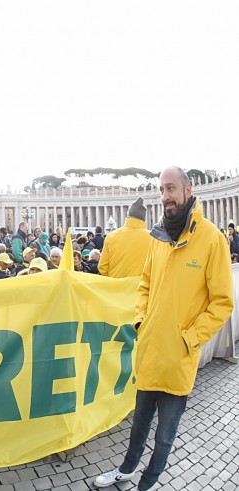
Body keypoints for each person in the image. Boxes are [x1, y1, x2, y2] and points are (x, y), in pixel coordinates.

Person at [93, 166, 233, 490]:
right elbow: (145, 284)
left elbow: (223, 302)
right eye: (161, 190)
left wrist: (190, 338)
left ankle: (149, 481)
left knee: (166, 433)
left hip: (179, 356)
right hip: (151, 350)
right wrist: (141, 319)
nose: (165, 196)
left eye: (171, 188)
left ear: (188, 189)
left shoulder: (211, 239)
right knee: (139, 423)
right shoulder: (157, 236)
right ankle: (126, 470)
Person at [98, 197, 151, 278]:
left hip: (116, 287)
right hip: (142, 288)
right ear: (144, 218)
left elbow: (102, 268)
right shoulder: (153, 238)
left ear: (128, 215)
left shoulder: (111, 237)